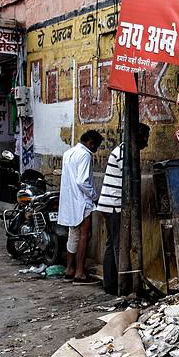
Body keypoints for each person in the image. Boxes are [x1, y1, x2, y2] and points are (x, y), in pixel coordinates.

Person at [95, 124, 150, 296]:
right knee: (119, 245)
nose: (146, 143)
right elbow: (131, 181)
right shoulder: (124, 154)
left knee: (112, 244)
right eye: (145, 138)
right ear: (137, 137)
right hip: (113, 205)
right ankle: (123, 285)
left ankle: (111, 284)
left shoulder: (122, 151)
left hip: (109, 204)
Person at [58, 130, 103, 283]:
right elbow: (82, 181)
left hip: (70, 201)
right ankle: (79, 272)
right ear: (91, 143)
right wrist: (95, 196)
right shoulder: (85, 154)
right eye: (96, 146)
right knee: (85, 235)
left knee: (73, 235)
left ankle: (69, 269)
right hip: (82, 201)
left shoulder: (68, 153)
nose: (96, 150)